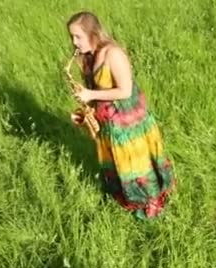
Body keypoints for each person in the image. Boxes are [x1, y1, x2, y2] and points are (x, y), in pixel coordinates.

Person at [66, 11, 175, 220]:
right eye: (71, 37)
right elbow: (97, 93)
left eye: (77, 37)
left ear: (93, 33)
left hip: (128, 121)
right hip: (108, 121)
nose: (74, 42)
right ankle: (131, 200)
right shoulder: (86, 57)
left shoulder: (113, 54)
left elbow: (124, 90)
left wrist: (90, 94)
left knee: (137, 164)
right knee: (119, 165)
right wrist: (85, 110)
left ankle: (152, 203)